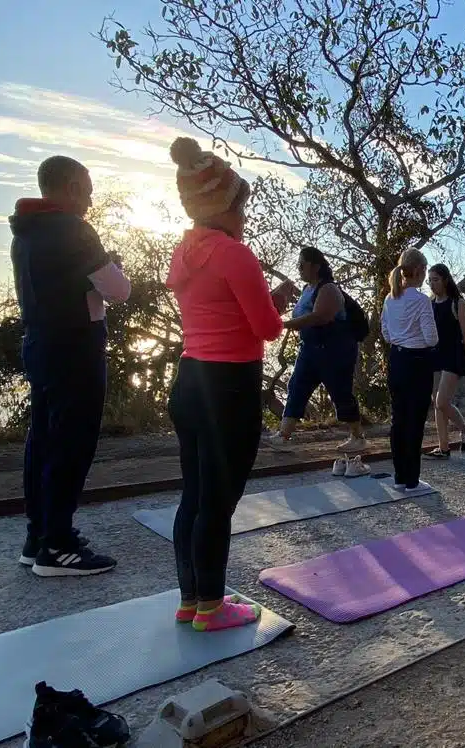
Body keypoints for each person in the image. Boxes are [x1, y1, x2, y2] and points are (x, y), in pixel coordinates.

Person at [166, 137, 291, 631]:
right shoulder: (236, 255)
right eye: (242, 204)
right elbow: (265, 329)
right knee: (218, 501)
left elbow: (216, 314)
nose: (245, 215)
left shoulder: (184, 251)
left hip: (191, 378)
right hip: (230, 386)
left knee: (194, 495)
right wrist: (278, 301)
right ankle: (213, 608)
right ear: (227, 205)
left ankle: (191, 599)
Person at [11, 156, 131, 576]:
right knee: (72, 442)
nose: (91, 197)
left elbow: (60, 281)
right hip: (76, 345)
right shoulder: (74, 229)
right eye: (87, 187)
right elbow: (117, 289)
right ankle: (58, 546)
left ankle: (38, 535)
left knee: (42, 438)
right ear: (70, 186)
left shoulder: (24, 233)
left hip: (39, 341)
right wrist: (112, 268)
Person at [275, 246, 368, 466]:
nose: (299, 268)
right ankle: (284, 435)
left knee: (340, 392)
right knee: (297, 387)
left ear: (315, 266)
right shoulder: (307, 289)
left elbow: (320, 317)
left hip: (335, 350)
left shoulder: (329, 289)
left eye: (302, 264)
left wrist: (284, 325)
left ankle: (357, 437)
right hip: (309, 349)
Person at [381, 248, 438, 490]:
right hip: (418, 362)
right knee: (415, 421)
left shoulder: (389, 298)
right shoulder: (422, 300)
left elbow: (385, 332)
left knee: (399, 419)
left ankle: (400, 477)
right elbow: (431, 337)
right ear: (419, 271)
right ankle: (413, 479)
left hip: (396, 359)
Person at [424, 263, 465, 459]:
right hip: (434, 356)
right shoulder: (429, 304)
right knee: (436, 404)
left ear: (445, 280)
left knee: (442, 401)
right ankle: (443, 448)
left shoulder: (458, 303)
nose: (432, 284)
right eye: (429, 281)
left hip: (454, 357)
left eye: (435, 280)